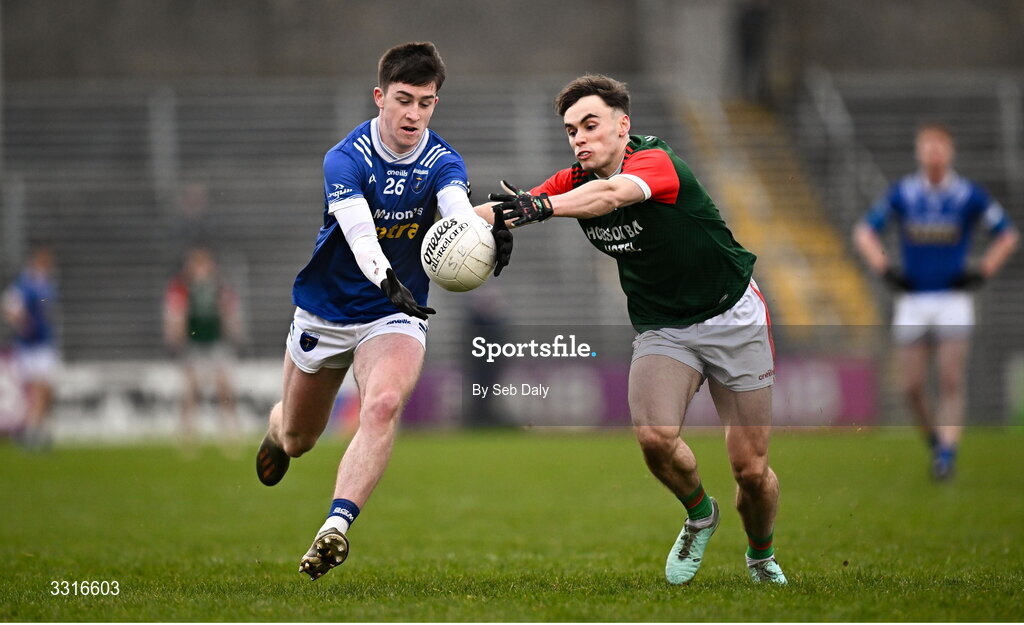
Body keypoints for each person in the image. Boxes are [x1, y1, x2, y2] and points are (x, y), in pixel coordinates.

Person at [486, 74, 786, 585]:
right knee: (653, 438)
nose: (579, 137)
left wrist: (542, 208)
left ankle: (760, 555)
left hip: (732, 314)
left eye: (590, 125)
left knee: (750, 470)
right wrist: (472, 226)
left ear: (623, 126)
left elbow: (611, 197)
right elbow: (508, 208)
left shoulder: (656, 163)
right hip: (662, 326)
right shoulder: (569, 183)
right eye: (570, 130)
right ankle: (699, 514)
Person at [254, 41, 513, 581]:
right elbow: (357, 229)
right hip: (326, 311)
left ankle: (335, 527)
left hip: (394, 314)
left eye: (426, 102)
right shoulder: (345, 158)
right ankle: (277, 426)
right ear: (379, 97)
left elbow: (455, 213)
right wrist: (385, 276)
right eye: (403, 100)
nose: (414, 114)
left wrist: (485, 234)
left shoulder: (444, 160)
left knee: (384, 403)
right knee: (300, 439)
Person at [853, 122, 1018, 481]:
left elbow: (1006, 234)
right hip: (913, 299)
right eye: (927, 147)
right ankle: (936, 443)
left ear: (949, 151)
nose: (933, 153)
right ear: (918, 152)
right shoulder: (904, 194)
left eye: (939, 146)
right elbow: (865, 231)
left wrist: (983, 270)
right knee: (910, 386)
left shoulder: (967, 195)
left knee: (950, 379)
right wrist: (885, 270)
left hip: (952, 299)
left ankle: (948, 453)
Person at [163, 245, 242, 447]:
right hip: (194, 342)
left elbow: (229, 312)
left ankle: (230, 432)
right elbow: (175, 314)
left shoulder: (218, 286)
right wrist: (175, 335)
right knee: (191, 390)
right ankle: (189, 434)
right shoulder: (183, 287)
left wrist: (232, 330)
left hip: (215, 341)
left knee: (224, 388)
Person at [2, 244, 60, 451]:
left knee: (48, 389)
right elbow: (9, 305)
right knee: (38, 389)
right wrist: (21, 323)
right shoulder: (26, 283)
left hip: (44, 343)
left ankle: (39, 429)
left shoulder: (46, 283)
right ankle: (33, 432)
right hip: (30, 346)